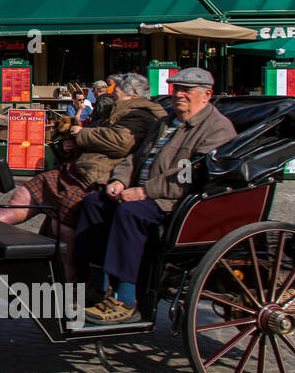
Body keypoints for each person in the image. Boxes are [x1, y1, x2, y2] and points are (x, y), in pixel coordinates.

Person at [74, 67, 236, 324]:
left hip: (175, 202)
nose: (179, 95)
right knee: (94, 203)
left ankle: (126, 299)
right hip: (138, 191)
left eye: (186, 90)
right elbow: (133, 158)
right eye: (176, 89)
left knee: (130, 214)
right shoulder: (164, 122)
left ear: (206, 95)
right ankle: (95, 284)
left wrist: (143, 191)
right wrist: (119, 179)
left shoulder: (216, 129)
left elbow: (188, 176)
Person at [0, 73, 163, 281]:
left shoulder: (140, 116)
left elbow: (120, 143)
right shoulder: (115, 110)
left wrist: (80, 134)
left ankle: (73, 281)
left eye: (116, 92)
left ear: (133, 95)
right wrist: (71, 140)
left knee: (63, 224)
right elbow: (92, 133)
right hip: (76, 170)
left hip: (95, 178)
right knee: (23, 196)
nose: (113, 95)